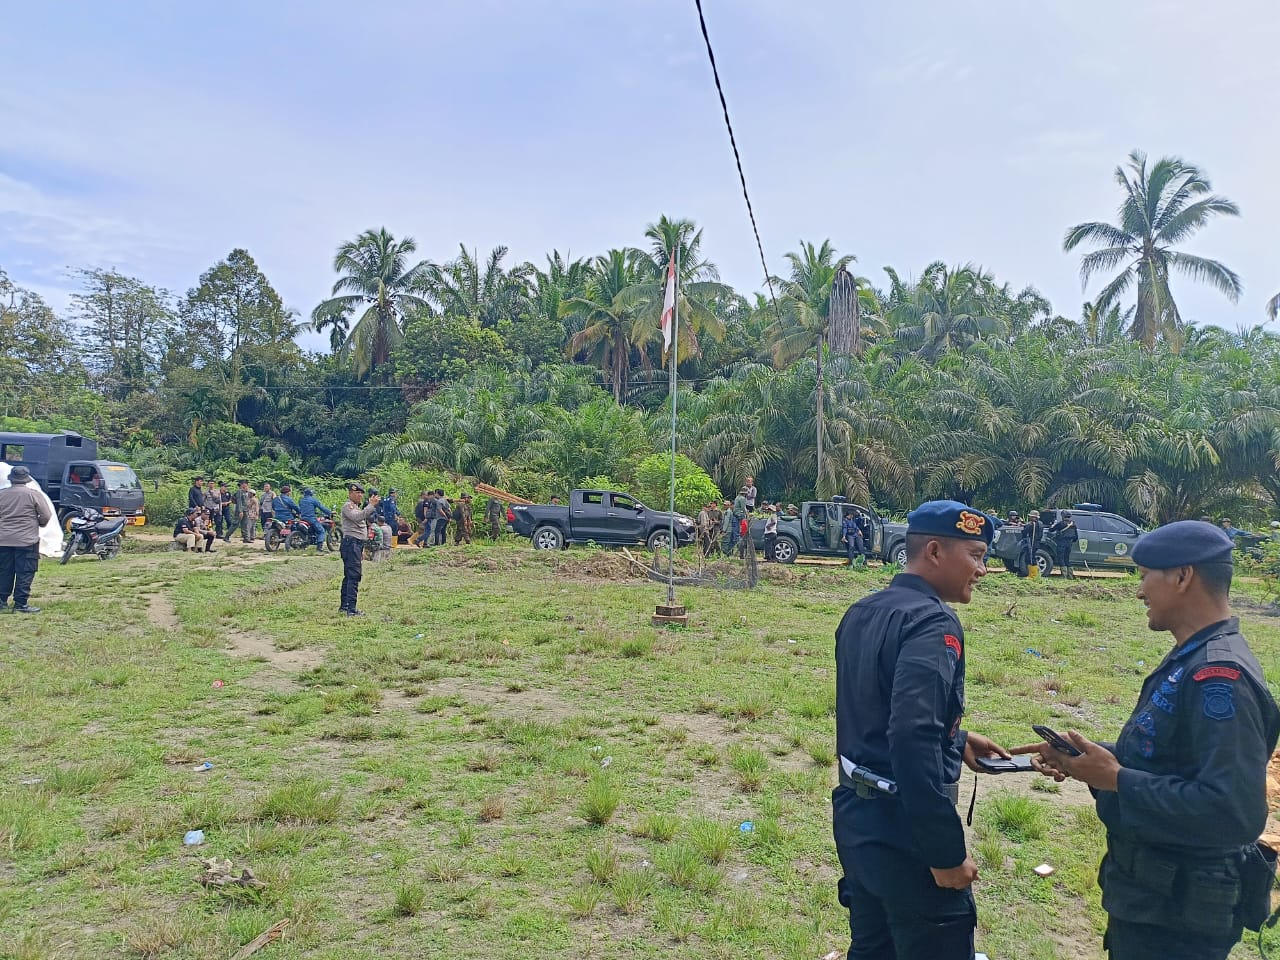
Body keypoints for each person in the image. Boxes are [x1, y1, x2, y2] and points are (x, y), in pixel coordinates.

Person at [1021, 520, 1280, 960]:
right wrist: (1089, 759)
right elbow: (1170, 757)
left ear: (1182, 576)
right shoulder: (1193, 657)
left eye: (1144, 576)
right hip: (1153, 904)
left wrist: (1118, 779)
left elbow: (1234, 810)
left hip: (1180, 920)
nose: (1139, 591)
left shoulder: (1219, 676)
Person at [832, 500, 1010, 960]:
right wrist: (945, 854)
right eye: (975, 555)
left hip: (857, 818)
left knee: (873, 948)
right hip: (906, 833)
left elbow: (875, 711)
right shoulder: (933, 623)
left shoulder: (864, 611)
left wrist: (958, 738)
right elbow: (912, 737)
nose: (983, 570)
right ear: (934, 551)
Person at [0, 466, 53, 613]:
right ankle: (20, 604)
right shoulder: (34, 494)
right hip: (27, 540)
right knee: (25, 571)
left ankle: (1, 601)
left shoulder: (2, 494)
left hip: (3, 540)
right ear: (27, 480)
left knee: (4, 570)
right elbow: (46, 515)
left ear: (11, 479)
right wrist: (39, 523)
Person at [339, 482, 380, 615]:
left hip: (356, 544)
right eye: (357, 493)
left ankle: (345, 606)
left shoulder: (356, 507)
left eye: (361, 493)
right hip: (351, 544)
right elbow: (357, 517)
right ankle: (351, 609)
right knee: (354, 575)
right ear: (350, 493)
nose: (360, 495)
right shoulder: (348, 506)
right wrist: (371, 506)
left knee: (349, 575)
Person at [298, 487, 333, 553]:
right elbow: (321, 507)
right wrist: (329, 512)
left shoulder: (301, 500)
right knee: (321, 531)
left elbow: (304, 509)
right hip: (311, 519)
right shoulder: (313, 500)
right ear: (311, 493)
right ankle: (319, 548)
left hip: (302, 519)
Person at [1048, 511, 1079, 578]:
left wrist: (1053, 525)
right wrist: (1070, 541)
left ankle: (1064, 575)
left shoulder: (1061, 523)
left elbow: (1051, 530)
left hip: (1062, 543)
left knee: (1061, 558)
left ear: (1063, 516)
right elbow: (1076, 537)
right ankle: (1070, 575)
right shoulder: (1073, 524)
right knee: (1067, 559)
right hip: (1069, 543)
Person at [1018, 509, 1045, 577]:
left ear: (1034, 517)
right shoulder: (1040, 523)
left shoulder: (1032, 524)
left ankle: (1033, 575)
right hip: (1037, 543)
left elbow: (1025, 532)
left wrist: (1023, 526)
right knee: (1032, 557)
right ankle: (1034, 574)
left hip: (1031, 543)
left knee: (1030, 558)